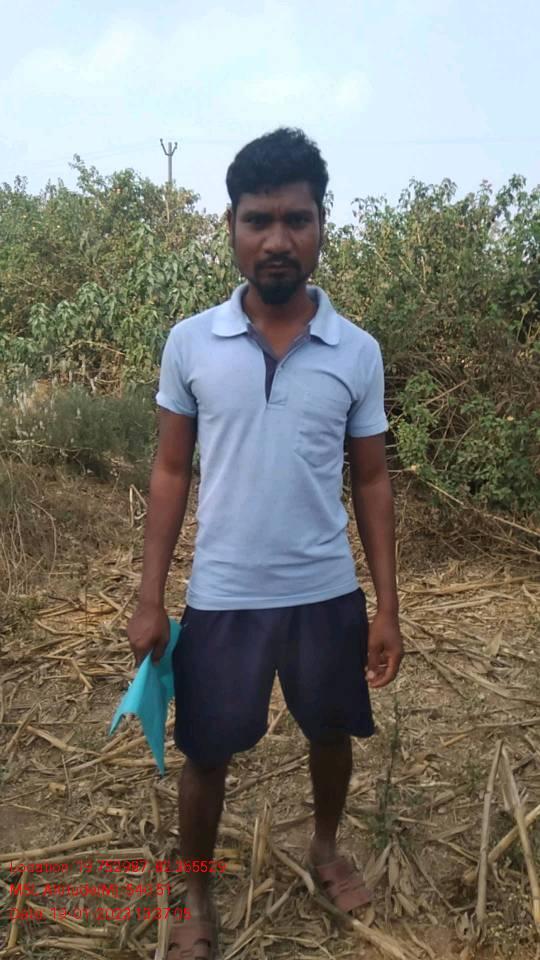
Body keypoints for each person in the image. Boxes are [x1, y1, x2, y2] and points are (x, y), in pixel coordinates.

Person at [127, 127, 403, 960]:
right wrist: (149, 597)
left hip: (325, 591)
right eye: (258, 220)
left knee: (331, 732)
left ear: (321, 225)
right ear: (231, 227)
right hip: (223, 595)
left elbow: (372, 481)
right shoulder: (191, 343)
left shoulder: (356, 352)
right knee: (206, 753)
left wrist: (388, 607)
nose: (277, 239)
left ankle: (324, 847)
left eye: (296, 219)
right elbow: (170, 471)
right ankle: (197, 890)